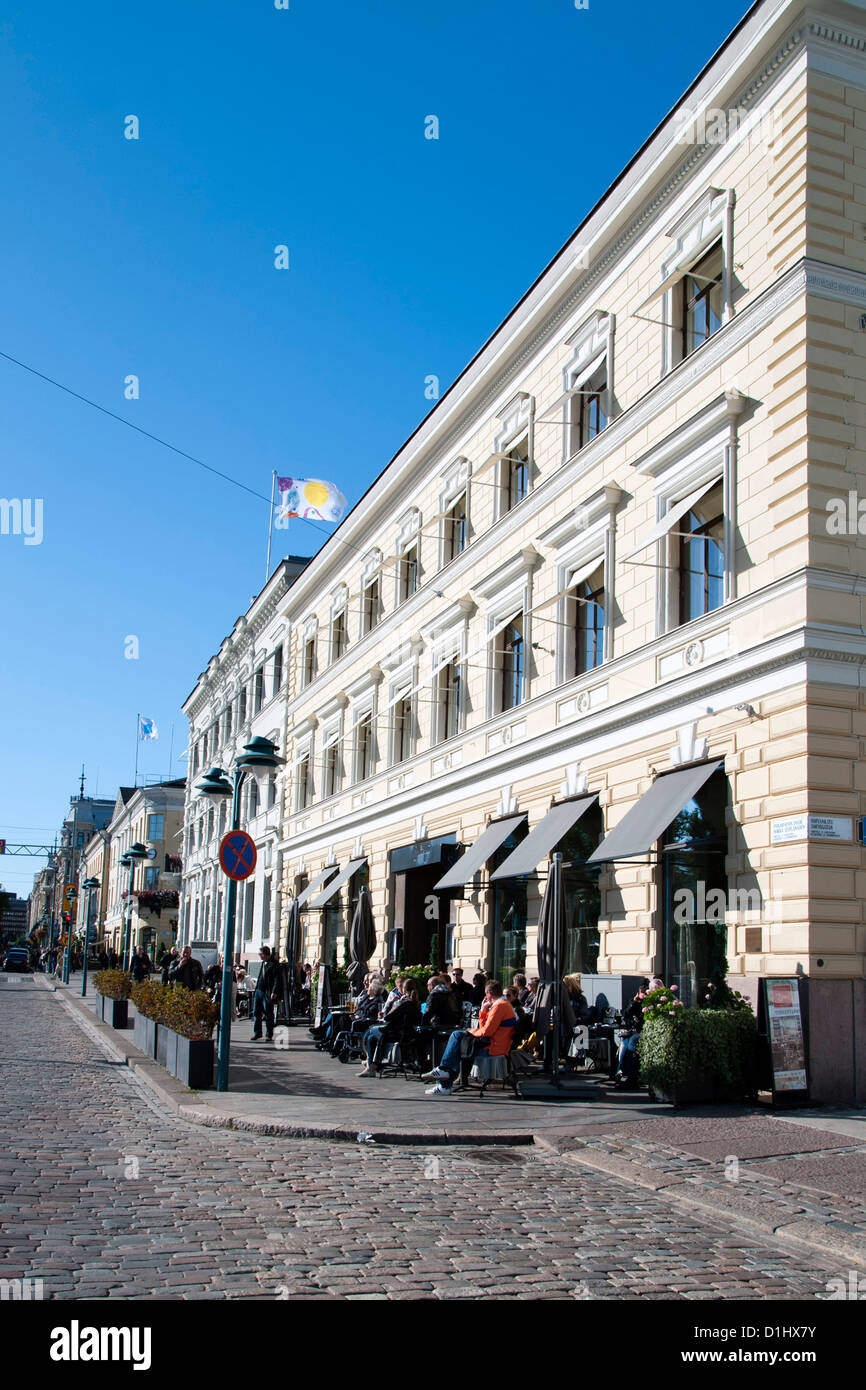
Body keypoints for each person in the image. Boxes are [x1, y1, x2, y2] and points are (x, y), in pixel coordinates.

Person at [423, 980, 516, 1096]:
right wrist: (483, 1010)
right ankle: (444, 1076)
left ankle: (444, 1077)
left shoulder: (499, 1006)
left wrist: (472, 1031)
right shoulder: (503, 1004)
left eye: (486, 994)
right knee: (458, 1038)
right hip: (496, 1043)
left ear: (489, 993)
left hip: (493, 1047)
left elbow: (487, 1031)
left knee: (457, 1039)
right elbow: (485, 1028)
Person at [358, 979, 421, 1076]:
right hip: (408, 1034)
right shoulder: (416, 1004)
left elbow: (387, 1017)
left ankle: (371, 1065)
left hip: (396, 1034)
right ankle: (372, 1063)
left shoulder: (403, 1003)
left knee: (371, 1034)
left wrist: (391, 1003)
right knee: (373, 1035)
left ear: (404, 989)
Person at [614, 979, 651, 1087]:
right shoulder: (635, 1002)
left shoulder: (650, 1004)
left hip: (642, 1032)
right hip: (634, 1031)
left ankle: (631, 1076)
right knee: (624, 1044)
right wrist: (634, 1002)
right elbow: (626, 1015)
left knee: (632, 1044)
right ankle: (621, 1071)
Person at [250, 945, 279, 1042]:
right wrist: (256, 989)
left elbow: (276, 979)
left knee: (268, 1013)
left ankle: (269, 1034)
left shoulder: (274, 964)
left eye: (260, 954)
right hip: (259, 990)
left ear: (265, 954)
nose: (260, 956)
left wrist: (274, 991)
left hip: (267, 992)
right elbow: (260, 977)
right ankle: (257, 1033)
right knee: (256, 1012)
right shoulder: (263, 963)